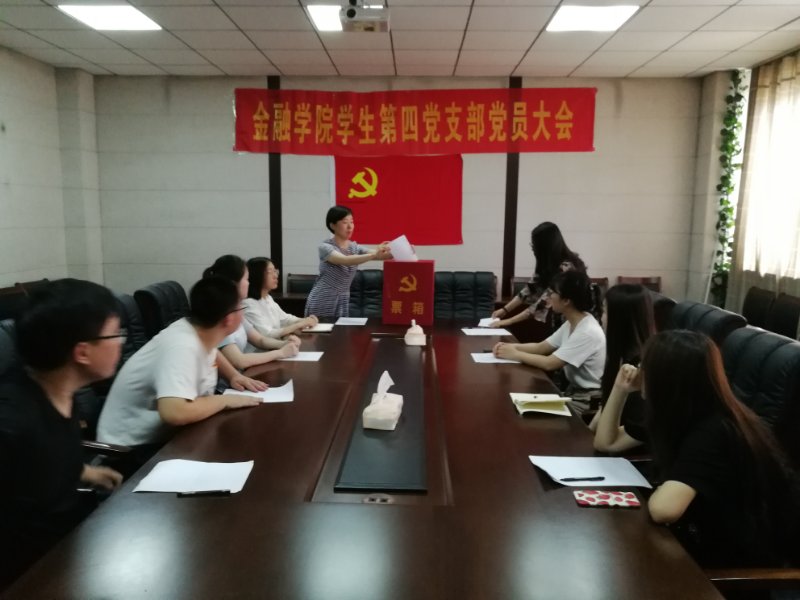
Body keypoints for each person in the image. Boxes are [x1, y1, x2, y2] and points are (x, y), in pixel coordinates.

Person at [637, 330, 800, 567]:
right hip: (706, 545)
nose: (640, 373)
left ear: (667, 380)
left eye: (645, 368)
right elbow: (607, 442)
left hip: (733, 569)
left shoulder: (714, 432)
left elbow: (664, 509)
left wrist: (660, 491)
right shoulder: (695, 417)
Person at [0, 279, 124, 589]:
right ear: (82, 352)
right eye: (115, 334)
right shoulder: (11, 421)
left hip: (70, 545)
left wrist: (84, 472)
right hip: (31, 573)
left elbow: (37, 464)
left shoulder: (59, 388)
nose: (121, 342)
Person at [97, 276, 264, 451]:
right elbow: (174, 413)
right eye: (241, 307)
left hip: (169, 436)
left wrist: (234, 376)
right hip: (131, 449)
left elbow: (212, 351)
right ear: (229, 319)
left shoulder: (200, 331)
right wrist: (224, 401)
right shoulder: (182, 346)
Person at [493, 270, 605, 406]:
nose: (549, 297)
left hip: (588, 400)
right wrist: (509, 347)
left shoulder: (587, 331)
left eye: (553, 293)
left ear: (566, 301)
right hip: (574, 392)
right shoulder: (572, 322)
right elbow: (541, 347)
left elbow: (550, 363)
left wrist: (515, 354)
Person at [204, 255, 300, 370]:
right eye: (246, 279)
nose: (249, 283)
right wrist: (281, 353)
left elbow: (260, 340)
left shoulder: (235, 309)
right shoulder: (219, 315)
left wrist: (285, 344)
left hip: (247, 371)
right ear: (233, 283)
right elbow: (239, 361)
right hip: (241, 374)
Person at [591, 284, 656, 453]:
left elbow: (606, 445)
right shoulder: (622, 357)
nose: (601, 318)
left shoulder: (640, 369)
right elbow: (605, 407)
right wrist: (586, 433)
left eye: (605, 311)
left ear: (620, 319)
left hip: (630, 458)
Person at [491, 221, 586, 331]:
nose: (532, 248)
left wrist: (507, 321)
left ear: (545, 247)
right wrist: (504, 310)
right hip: (560, 322)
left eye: (534, 245)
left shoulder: (566, 268)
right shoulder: (547, 265)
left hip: (576, 323)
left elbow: (541, 305)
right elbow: (527, 290)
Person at [304, 205, 392, 318]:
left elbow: (380, 255)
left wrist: (405, 251)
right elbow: (345, 260)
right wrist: (375, 253)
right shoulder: (325, 247)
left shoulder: (354, 247)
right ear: (332, 225)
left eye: (352, 222)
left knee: (341, 329)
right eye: (345, 222)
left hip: (343, 299)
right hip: (324, 298)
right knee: (322, 329)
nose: (350, 226)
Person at [244, 256, 318, 339]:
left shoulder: (267, 298)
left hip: (276, 345)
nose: (275, 275)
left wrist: (305, 320)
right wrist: (299, 325)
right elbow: (268, 334)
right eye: (270, 272)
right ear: (257, 275)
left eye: (275, 271)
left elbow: (285, 319)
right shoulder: (248, 304)